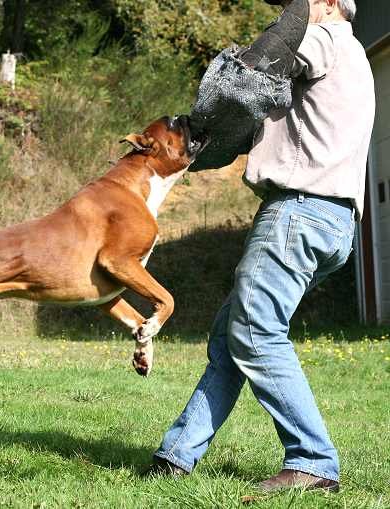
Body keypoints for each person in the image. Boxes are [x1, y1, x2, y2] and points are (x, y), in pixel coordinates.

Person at [147, 0, 375, 493]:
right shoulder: (356, 57)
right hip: (334, 224)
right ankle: (177, 455)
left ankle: (313, 459)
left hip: (298, 211)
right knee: (232, 338)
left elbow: (259, 65)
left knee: (254, 333)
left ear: (331, 3)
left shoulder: (325, 40)